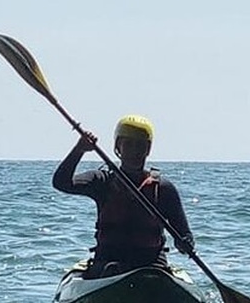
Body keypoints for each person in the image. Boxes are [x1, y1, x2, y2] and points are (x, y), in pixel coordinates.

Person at [52, 114, 195, 279]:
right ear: (118, 147)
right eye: (129, 144)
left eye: (140, 145)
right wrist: (79, 150)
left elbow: (185, 233)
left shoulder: (163, 188)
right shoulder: (101, 181)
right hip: (107, 262)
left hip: (151, 266)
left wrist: (185, 243)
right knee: (112, 270)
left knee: (150, 275)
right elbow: (61, 183)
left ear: (148, 149)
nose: (135, 151)